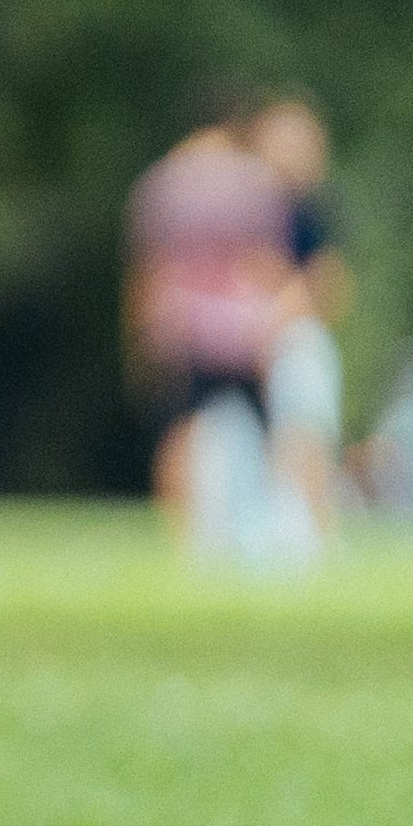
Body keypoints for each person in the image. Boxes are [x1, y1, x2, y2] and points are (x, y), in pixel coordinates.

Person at [124, 109, 296, 549]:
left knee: (180, 432)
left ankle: (181, 535)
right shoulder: (255, 183)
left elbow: (150, 268)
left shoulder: (162, 184)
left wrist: (142, 335)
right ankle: (276, 529)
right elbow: (269, 264)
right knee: (267, 434)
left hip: (183, 326)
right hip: (244, 328)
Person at [249, 95, 352, 547]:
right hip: (262, 334)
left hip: (295, 332)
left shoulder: (314, 210)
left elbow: (330, 283)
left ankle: (311, 524)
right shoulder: (253, 208)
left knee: (309, 428)